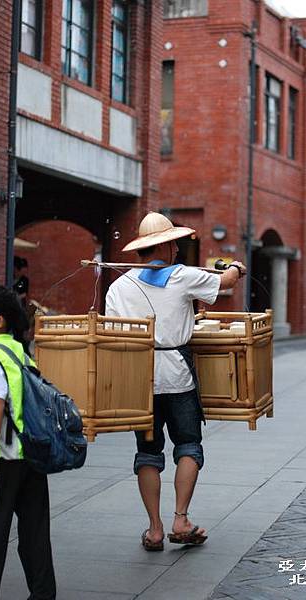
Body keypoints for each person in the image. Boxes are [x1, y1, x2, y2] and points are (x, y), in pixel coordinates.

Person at [105, 212, 246, 551]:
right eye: (176, 245)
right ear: (166, 247)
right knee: (188, 446)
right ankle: (180, 518)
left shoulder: (119, 286)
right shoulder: (182, 276)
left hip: (139, 379)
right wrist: (236, 268)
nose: (179, 251)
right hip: (178, 376)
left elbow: (113, 334)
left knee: (148, 453)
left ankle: (154, 530)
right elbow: (225, 283)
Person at [0, 286, 56, 600]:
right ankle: (43, 594)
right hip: (30, 450)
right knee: (35, 529)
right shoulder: (19, 350)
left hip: (4, 454)